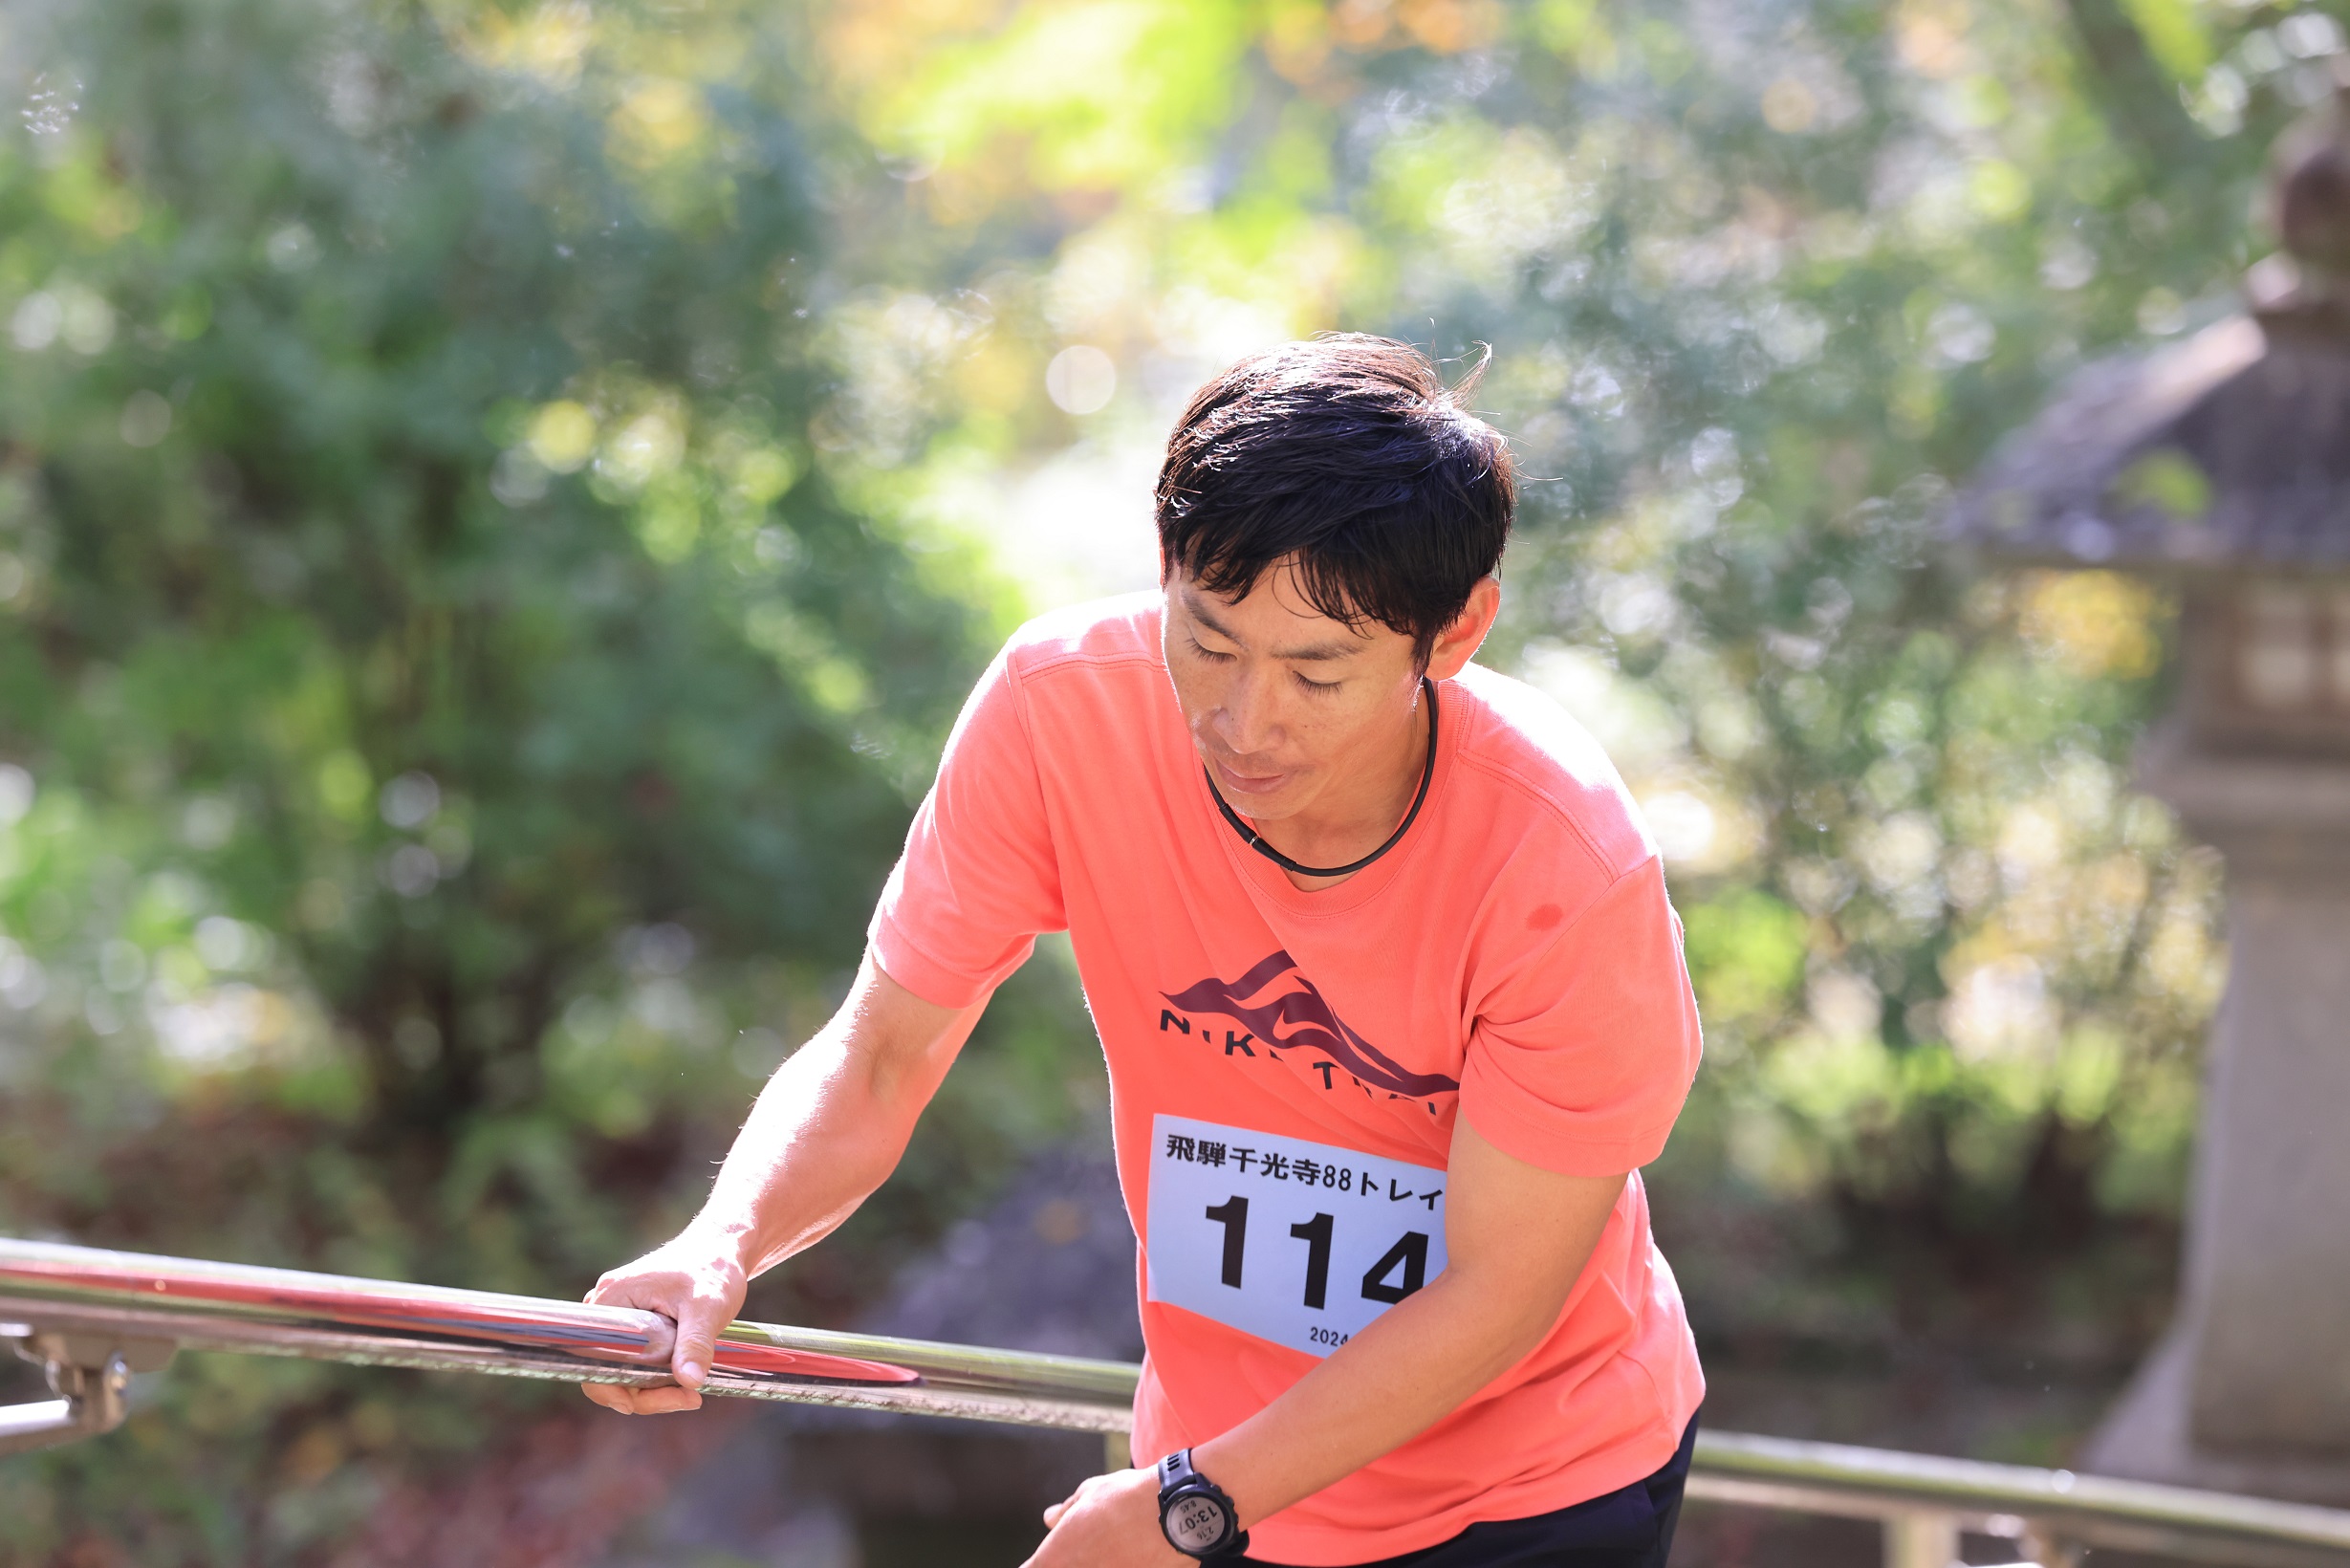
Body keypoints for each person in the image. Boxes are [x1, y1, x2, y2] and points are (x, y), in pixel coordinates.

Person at [581, 335, 1707, 1568]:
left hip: (1530, 1492)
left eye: (1317, 673)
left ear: (1453, 633)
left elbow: (1497, 1293)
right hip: (1212, 1465)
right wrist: (718, 1247)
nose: (1243, 719)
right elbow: (883, 1052)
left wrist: (1190, 1505)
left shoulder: (1566, 864)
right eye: (1209, 641)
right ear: (1166, 568)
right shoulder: (1060, 713)